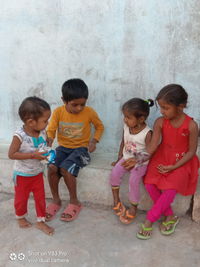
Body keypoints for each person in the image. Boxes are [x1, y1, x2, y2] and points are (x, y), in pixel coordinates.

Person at [137, 84, 199, 240]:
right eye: (160, 108)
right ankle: (169, 216)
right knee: (149, 183)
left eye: (165, 108)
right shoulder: (160, 122)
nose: (162, 111)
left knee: (171, 188)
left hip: (182, 161)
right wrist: (141, 158)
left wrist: (174, 166)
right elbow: (152, 145)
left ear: (181, 106)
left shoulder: (191, 126)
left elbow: (192, 152)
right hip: (162, 157)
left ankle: (149, 219)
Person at [45, 78, 104, 222]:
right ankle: (56, 200)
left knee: (66, 169)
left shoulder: (89, 112)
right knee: (52, 167)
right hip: (62, 148)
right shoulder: (58, 112)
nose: (79, 108)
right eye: (74, 105)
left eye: (82, 104)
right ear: (64, 100)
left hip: (81, 150)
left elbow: (99, 126)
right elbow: (51, 128)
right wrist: (50, 138)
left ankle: (74, 202)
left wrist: (94, 140)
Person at [8, 96, 54, 235]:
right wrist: (33, 155)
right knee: (21, 199)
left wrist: (48, 144)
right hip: (22, 175)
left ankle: (40, 221)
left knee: (41, 198)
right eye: (45, 120)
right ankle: (20, 217)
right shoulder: (20, 136)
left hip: (37, 173)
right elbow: (12, 154)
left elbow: (42, 147)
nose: (47, 123)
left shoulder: (42, 131)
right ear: (31, 122)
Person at [110, 98, 153, 224]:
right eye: (124, 116)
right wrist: (119, 158)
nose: (125, 119)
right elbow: (123, 142)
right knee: (114, 174)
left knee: (134, 180)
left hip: (140, 162)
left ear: (141, 119)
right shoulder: (127, 126)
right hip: (126, 158)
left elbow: (149, 153)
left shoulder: (147, 133)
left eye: (128, 117)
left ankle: (133, 207)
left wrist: (137, 161)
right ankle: (116, 200)